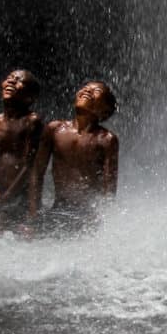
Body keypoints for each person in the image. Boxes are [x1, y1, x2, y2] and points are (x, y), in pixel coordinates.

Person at [30, 81, 119, 231]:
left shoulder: (107, 140)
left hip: (88, 216)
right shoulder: (55, 129)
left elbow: (109, 189)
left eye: (96, 91)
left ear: (105, 110)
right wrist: (33, 214)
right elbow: (37, 173)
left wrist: (102, 220)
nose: (87, 91)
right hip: (58, 209)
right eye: (84, 88)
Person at [0, 69, 44, 232]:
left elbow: (28, 166)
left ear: (30, 97)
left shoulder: (32, 122)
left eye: (20, 81)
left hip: (18, 195)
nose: (11, 81)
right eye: (9, 78)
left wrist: (4, 200)